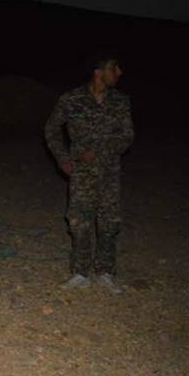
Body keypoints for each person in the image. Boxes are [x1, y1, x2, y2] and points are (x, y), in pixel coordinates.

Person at [45, 56, 134, 292]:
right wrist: (62, 158)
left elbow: (127, 136)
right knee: (78, 222)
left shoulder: (120, 101)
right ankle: (80, 273)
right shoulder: (71, 99)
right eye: (114, 68)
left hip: (109, 173)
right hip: (81, 173)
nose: (119, 72)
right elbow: (51, 129)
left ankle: (105, 272)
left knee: (109, 223)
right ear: (99, 72)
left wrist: (100, 151)